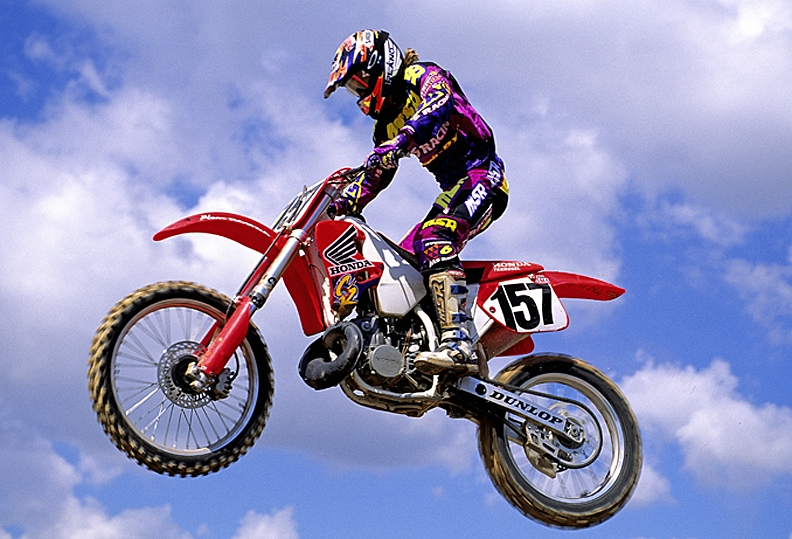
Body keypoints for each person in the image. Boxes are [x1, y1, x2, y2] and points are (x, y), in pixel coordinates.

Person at [323, 29, 508, 375]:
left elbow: (439, 105)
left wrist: (402, 141)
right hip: (454, 188)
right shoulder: (384, 127)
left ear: (381, 65)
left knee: (435, 237)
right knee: (403, 264)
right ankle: (418, 352)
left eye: (358, 82)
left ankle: (459, 345)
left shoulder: (422, 75)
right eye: (352, 89)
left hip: (484, 176)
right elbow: (375, 176)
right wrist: (339, 206)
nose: (359, 93)